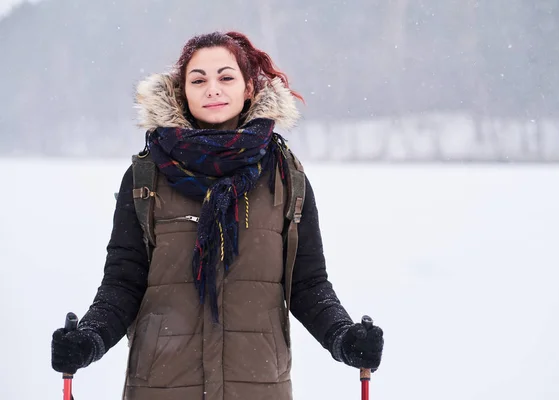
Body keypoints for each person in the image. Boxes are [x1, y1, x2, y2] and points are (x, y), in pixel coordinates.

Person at [51, 31, 384, 400]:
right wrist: (90, 338)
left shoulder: (285, 175)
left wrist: (343, 336)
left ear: (247, 89)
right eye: (199, 80)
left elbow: (307, 285)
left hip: (258, 387)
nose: (213, 89)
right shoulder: (147, 177)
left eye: (226, 77)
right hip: (161, 387)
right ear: (182, 92)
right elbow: (123, 283)